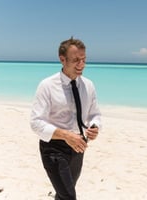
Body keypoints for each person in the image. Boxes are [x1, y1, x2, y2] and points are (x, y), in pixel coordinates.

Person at [30, 36, 101, 200]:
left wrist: (95, 126)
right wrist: (65, 135)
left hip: (79, 147)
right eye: (76, 60)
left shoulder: (88, 85)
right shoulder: (47, 86)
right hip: (53, 148)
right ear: (62, 59)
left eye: (84, 59)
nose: (81, 64)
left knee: (64, 193)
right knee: (68, 196)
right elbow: (35, 122)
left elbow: (94, 114)